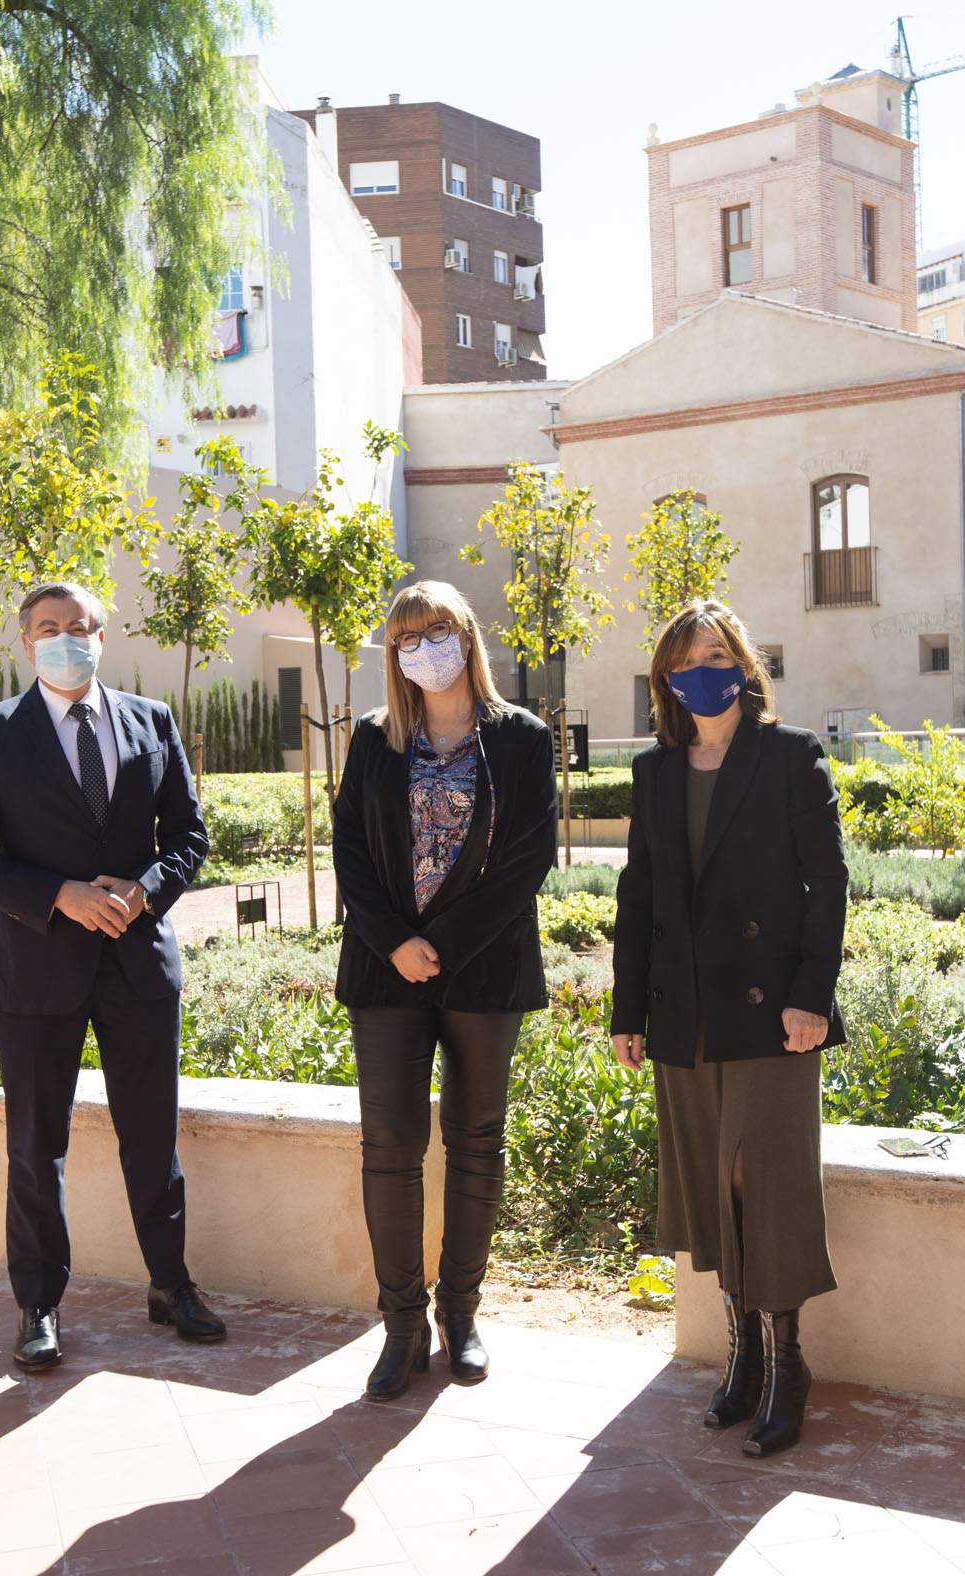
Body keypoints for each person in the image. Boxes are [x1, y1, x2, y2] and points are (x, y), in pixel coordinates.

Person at [0, 580, 225, 1376]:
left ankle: (171, 1284)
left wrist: (147, 889)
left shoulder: (151, 720)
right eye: (49, 628)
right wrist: (55, 895)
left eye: (80, 627)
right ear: (26, 643)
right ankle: (39, 1303)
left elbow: (190, 836)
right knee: (35, 1143)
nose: (66, 638)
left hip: (138, 963)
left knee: (152, 1136)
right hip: (37, 967)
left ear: (103, 636)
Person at [608, 599, 848, 1457]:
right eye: (683, 660)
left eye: (715, 653)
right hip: (685, 1013)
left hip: (774, 1016)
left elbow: (829, 884)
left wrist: (811, 996)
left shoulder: (790, 757)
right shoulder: (655, 771)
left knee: (762, 1181)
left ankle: (790, 1366)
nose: (700, 669)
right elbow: (639, 899)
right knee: (716, 1183)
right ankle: (742, 1355)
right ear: (667, 680)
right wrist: (626, 1011)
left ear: (744, 665)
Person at [332, 581, 558, 1402]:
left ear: (468, 635)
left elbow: (527, 860)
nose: (423, 646)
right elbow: (349, 852)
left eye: (437, 630)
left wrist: (445, 944)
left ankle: (460, 1315)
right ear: (393, 655)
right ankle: (400, 1328)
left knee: (475, 1140)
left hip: (485, 971)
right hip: (385, 972)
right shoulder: (372, 738)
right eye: (406, 637)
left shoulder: (525, 740)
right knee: (389, 1148)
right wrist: (397, 942)